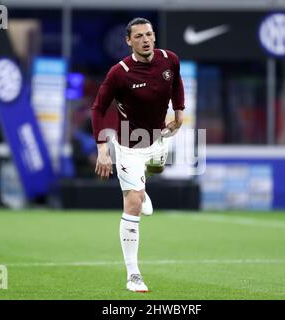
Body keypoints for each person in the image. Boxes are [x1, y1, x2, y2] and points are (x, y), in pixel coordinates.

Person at [91, 17, 184, 292]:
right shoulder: (119, 73)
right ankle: (133, 275)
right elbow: (97, 108)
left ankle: (142, 187)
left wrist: (179, 113)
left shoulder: (169, 60)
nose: (146, 40)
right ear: (128, 41)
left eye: (150, 34)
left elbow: (176, 83)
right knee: (132, 202)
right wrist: (102, 149)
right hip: (129, 146)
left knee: (157, 169)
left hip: (157, 142)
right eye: (139, 36)